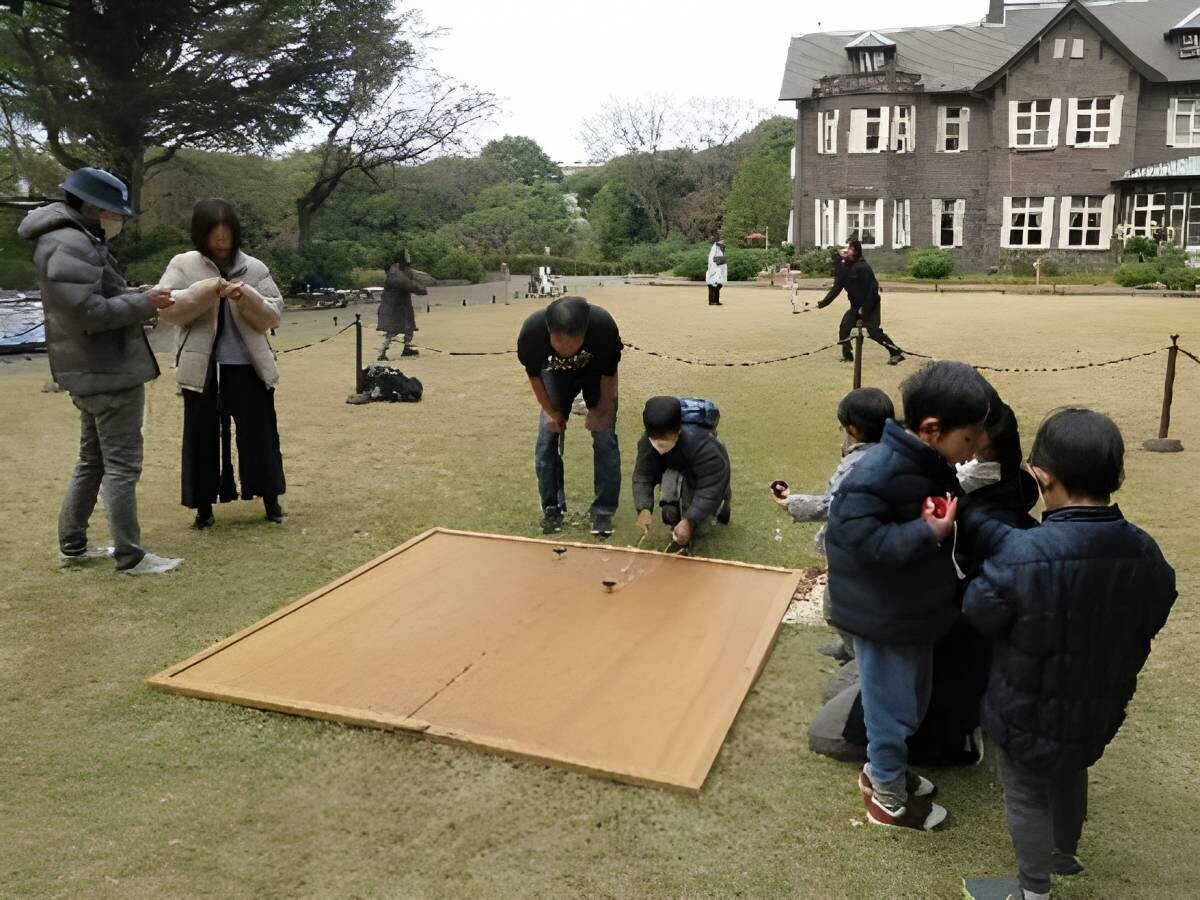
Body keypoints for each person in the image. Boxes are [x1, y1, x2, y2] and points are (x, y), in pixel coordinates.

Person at [963, 409, 1176, 900]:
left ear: (1042, 477)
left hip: (1025, 707)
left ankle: (1033, 890)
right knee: (1070, 766)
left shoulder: (1023, 554)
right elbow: (1157, 605)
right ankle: (1064, 850)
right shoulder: (1145, 551)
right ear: (1115, 476)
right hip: (1097, 700)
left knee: (1026, 792)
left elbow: (980, 611)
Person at [810, 387, 1039, 765]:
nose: (966, 458)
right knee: (876, 700)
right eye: (967, 444)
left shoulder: (971, 506)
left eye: (977, 450)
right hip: (907, 628)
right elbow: (864, 543)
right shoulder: (924, 482)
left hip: (930, 642)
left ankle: (891, 780)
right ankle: (891, 772)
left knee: (882, 714)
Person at [824, 360, 991, 830]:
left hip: (913, 610)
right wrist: (926, 532)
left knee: (913, 701)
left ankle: (884, 771)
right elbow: (857, 542)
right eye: (970, 439)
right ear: (933, 430)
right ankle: (887, 799)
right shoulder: (875, 472)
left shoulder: (927, 462)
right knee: (892, 710)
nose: (975, 448)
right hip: (884, 618)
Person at [18, 166, 182, 575]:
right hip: (107, 370)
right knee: (122, 466)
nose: (118, 220)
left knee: (92, 460)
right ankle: (131, 556)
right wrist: (145, 305)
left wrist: (137, 295)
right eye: (114, 212)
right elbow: (88, 312)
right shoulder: (70, 240)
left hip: (89, 369)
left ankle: (73, 546)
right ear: (90, 205)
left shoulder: (69, 237)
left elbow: (93, 296)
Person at [156, 199, 287, 528]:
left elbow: (274, 313)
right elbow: (166, 307)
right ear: (201, 234)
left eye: (226, 233)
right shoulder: (183, 265)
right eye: (214, 234)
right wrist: (205, 290)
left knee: (260, 435)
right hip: (201, 369)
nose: (220, 241)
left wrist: (246, 296)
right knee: (200, 439)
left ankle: (270, 499)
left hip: (247, 365)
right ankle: (203, 508)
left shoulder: (254, 268)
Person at [773, 386, 895, 660]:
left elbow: (833, 505)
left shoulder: (858, 465)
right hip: (875, 546)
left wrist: (790, 503)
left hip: (853, 549)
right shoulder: (889, 451)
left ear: (852, 430)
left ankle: (854, 656)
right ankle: (851, 647)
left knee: (836, 607)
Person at [517, 295, 622, 537]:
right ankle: (552, 508)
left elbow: (609, 374)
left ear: (585, 332)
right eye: (558, 346)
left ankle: (603, 511)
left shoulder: (602, 326)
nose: (565, 353)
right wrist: (553, 413)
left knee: (605, 438)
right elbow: (535, 378)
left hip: (595, 374)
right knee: (546, 439)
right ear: (549, 331)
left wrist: (601, 410)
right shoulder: (532, 332)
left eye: (572, 347)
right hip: (554, 375)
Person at [633, 396, 731, 548]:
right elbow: (643, 476)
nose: (659, 445)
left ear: (678, 431)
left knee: (702, 526)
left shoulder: (705, 447)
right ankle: (680, 525)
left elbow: (711, 486)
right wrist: (644, 508)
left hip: (707, 474)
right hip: (674, 467)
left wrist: (690, 520)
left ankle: (724, 504)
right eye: (655, 440)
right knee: (669, 513)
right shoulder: (647, 442)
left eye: (665, 440)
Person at [817, 239, 905, 366]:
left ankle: (896, 353)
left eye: (850, 249)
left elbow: (873, 289)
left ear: (856, 252)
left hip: (871, 304)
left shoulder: (863, 267)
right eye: (846, 249)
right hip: (856, 305)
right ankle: (848, 356)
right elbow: (836, 288)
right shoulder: (844, 269)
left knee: (873, 331)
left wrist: (865, 308)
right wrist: (822, 303)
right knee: (844, 328)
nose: (846, 250)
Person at [377, 250, 426, 360]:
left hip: (403, 304)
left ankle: (406, 348)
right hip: (394, 305)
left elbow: (410, 281)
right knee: (392, 330)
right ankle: (383, 353)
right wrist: (420, 289)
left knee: (409, 328)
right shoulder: (395, 271)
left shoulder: (402, 270)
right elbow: (404, 283)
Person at [706, 238, 727, 306]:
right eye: (722, 242)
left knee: (718, 286)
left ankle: (716, 301)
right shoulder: (714, 249)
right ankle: (711, 301)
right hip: (713, 272)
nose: (723, 244)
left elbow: (721, 261)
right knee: (712, 287)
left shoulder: (719, 249)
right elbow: (712, 261)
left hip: (718, 272)